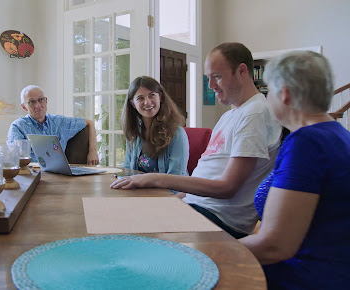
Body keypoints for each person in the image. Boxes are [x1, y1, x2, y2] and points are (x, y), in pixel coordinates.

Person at [111, 42, 283, 239]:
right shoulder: (231, 115)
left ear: (242, 71)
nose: (210, 86)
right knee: (114, 215)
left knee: (123, 229)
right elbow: (208, 175)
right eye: (208, 78)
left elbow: (228, 188)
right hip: (195, 206)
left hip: (218, 219)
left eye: (217, 77)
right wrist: (174, 200)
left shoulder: (255, 113)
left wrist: (155, 178)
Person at [239, 51, 350, 289]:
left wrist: (208, 251)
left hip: (304, 279)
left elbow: (275, 245)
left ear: (285, 94)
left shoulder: (307, 143)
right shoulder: (339, 136)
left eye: (268, 91)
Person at [7, 85, 99, 165]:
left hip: (59, 174)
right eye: (32, 102)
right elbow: (14, 158)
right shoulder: (18, 127)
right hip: (31, 174)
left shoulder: (60, 122)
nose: (38, 105)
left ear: (46, 101)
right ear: (24, 107)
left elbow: (89, 123)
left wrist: (93, 151)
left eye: (41, 100)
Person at [122, 76, 189, 176]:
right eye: (140, 98)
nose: (147, 102)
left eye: (151, 95)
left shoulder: (177, 134)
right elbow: (128, 172)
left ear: (160, 97)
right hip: (137, 191)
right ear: (133, 104)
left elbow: (176, 180)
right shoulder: (134, 134)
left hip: (168, 191)